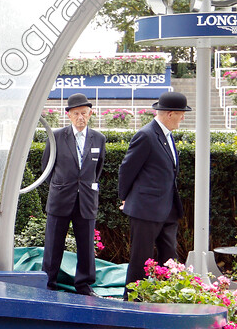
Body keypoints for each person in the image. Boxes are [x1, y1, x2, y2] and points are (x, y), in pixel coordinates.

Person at [118, 91, 190, 297]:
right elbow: (127, 169)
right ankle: (132, 301)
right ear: (169, 114)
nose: (183, 117)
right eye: (181, 113)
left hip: (167, 209)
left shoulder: (166, 135)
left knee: (169, 258)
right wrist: (124, 197)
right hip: (145, 210)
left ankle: (168, 297)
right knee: (141, 259)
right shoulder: (146, 135)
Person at [41, 93, 106, 296]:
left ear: (90, 114)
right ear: (68, 115)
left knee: (86, 244)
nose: (81, 117)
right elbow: (46, 167)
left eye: (84, 113)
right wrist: (60, 186)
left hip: (86, 199)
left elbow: (98, 169)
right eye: (76, 113)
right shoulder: (57, 136)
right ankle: (49, 282)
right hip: (61, 197)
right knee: (53, 243)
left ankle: (84, 285)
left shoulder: (99, 139)